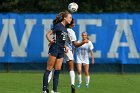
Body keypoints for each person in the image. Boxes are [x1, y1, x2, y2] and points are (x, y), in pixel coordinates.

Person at [48, 19, 88, 93]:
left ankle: (46, 84)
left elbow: (55, 37)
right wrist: (83, 42)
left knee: (53, 68)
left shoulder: (61, 28)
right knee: (71, 68)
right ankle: (72, 84)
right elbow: (75, 44)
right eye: (74, 22)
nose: (75, 24)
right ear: (70, 23)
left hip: (58, 48)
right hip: (68, 50)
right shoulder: (71, 31)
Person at [42, 11, 73, 93]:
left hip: (61, 50)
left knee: (57, 70)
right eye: (70, 17)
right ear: (65, 18)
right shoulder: (58, 26)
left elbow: (61, 40)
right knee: (49, 68)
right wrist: (50, 40)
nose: (71, 19)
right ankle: (44, 90)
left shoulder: (65, 28)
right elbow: (48, 34)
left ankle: (54, 90)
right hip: (55, 48)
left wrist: (65, 47)